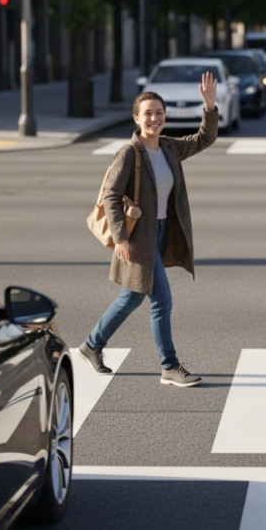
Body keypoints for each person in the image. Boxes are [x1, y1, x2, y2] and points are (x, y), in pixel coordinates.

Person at [78, 72, 219, 387]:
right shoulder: (129, 154)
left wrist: (209, 107)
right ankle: (169, 366)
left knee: (132, 297)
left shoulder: (168, 147)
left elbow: (204, 139)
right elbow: (111, 197)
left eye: (159, 113)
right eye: (148, 114)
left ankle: (91, 345)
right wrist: (121, 239)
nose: (154, 118)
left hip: (161, 232)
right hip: (138, 237)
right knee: (161, 300)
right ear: (136, 118)